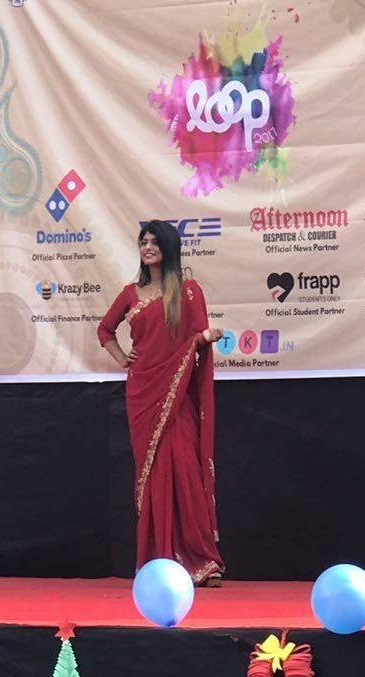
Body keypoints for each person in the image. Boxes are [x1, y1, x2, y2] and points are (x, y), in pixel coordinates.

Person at [97, 220, 225, 586]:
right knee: (154, 476)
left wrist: (204, 337)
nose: (148, 247)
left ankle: (201, 562)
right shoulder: (130, 293)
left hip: (177, 394)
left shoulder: (187, 291)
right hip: (143, 393)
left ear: (169, 247)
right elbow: (104, 330)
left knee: (184, 469)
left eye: (155, 242)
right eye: (143, 241)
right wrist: (123, 358)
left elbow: (195, 337)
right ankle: (158, 561)